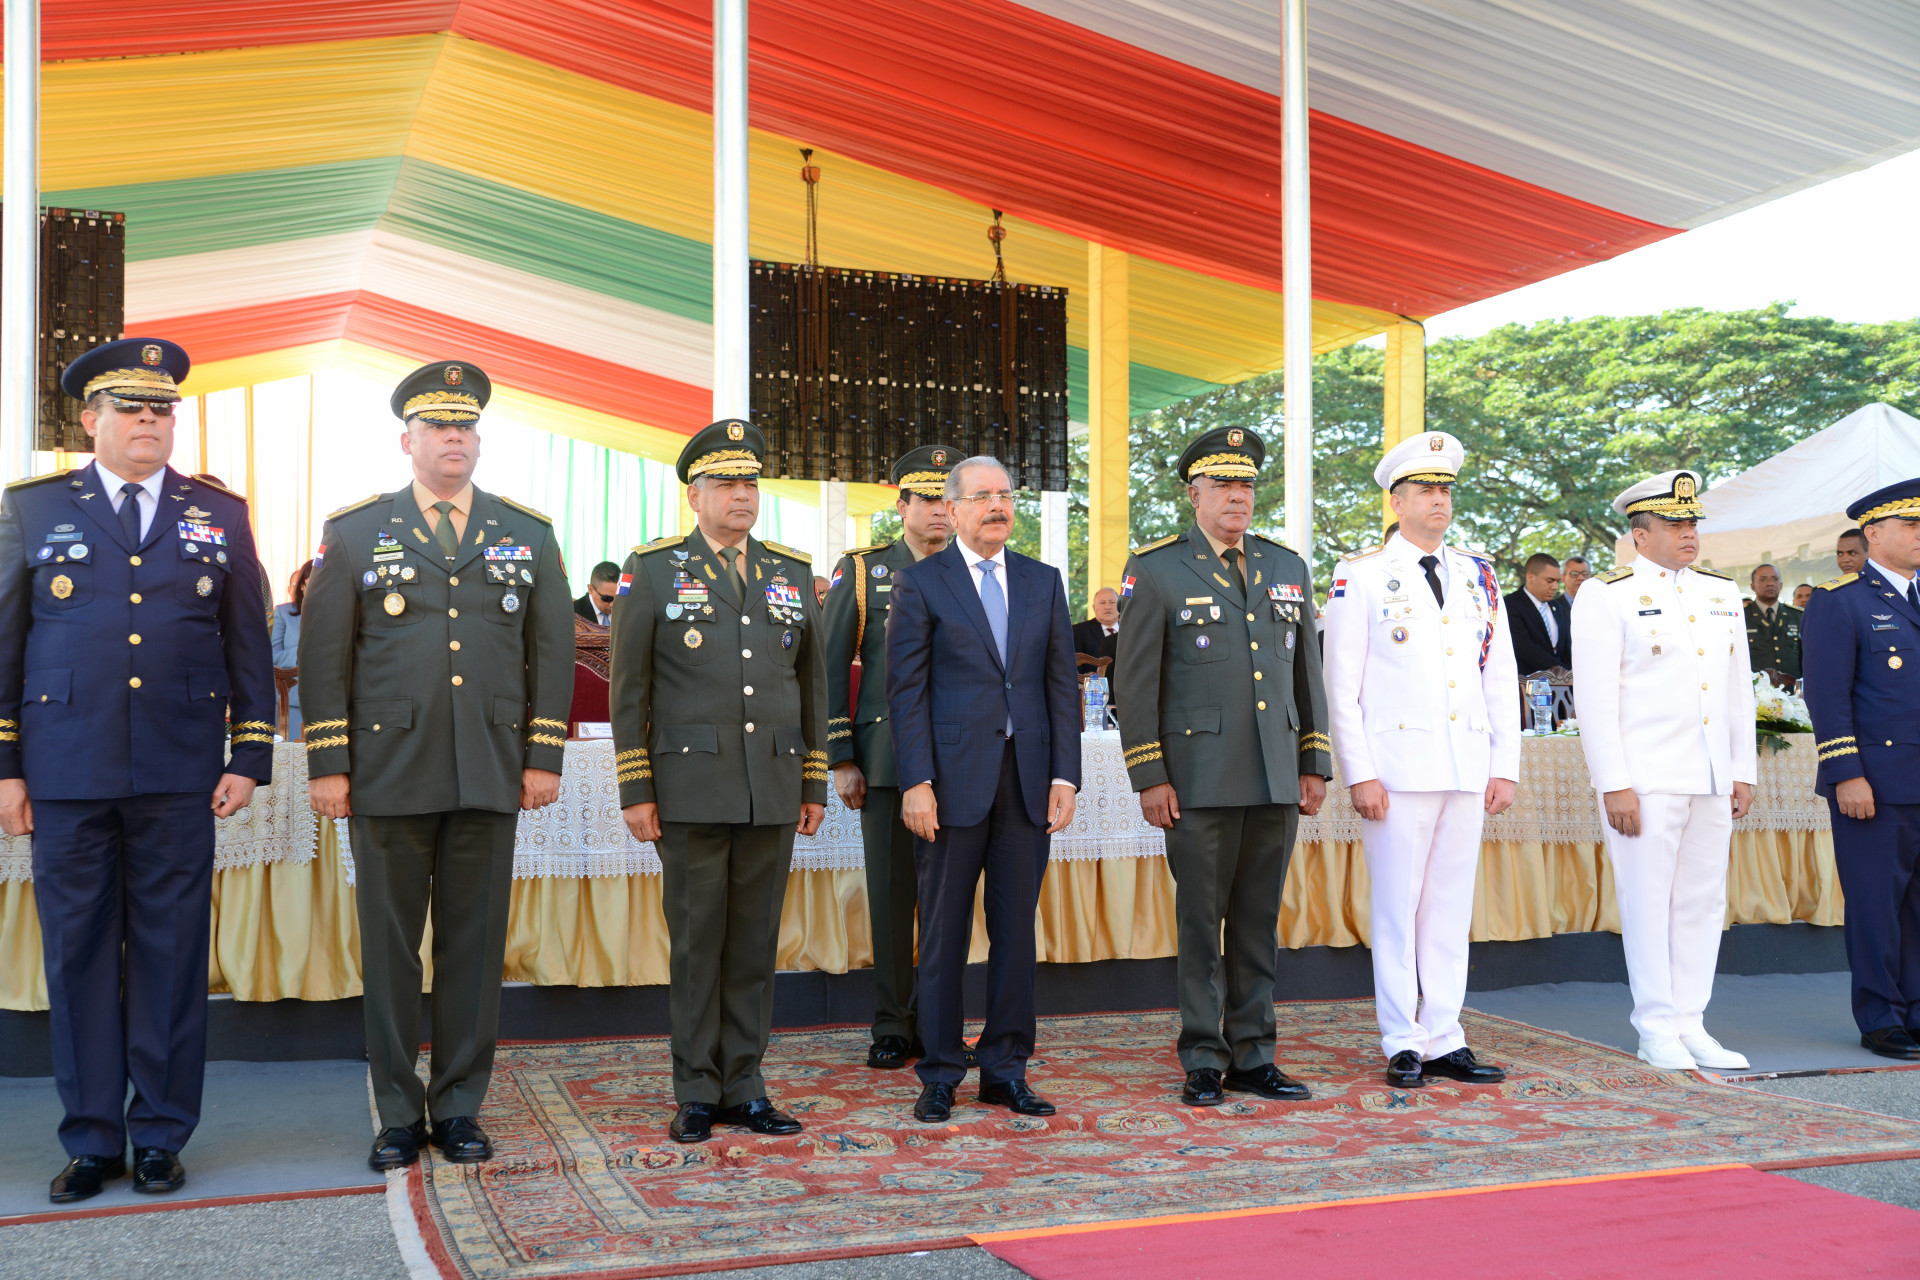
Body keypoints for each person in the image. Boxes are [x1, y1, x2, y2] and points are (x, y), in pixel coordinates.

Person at [0, 338, 276, 1203]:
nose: (149, 421)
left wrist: (251, 753)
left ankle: (159, 1134)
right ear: (91, 420)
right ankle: (91, 1139)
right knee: (78, 955)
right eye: (130, 408)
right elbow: (5, 644)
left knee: (171, 951)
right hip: (66, 769)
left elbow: (247, 641)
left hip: (177, 768)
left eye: (162, 410)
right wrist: (6, 767)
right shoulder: (33, 509)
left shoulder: (218, 513)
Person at [301, 361, 575, 1171]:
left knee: (474, 948)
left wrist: (544, 755)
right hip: (387, 771)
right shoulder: (357, 531)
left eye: (466, 426)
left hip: (490, 767)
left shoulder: (527, 532)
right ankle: (396, 1111)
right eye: (438, 426)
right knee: (390, 951)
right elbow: (325, 657)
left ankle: (458, 1106)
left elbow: (552, 651)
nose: (455, 437)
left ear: (478, 441)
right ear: (407, 442)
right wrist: (329, 763)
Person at [609, 419, 827, 1142]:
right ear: (694, 495)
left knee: (756, 943)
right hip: (689, 785)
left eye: (750, 483)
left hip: (772, 784)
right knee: (699, 942)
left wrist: (813, 783)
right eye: (727, 483)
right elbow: (629, 690)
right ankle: (697, 1088)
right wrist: (637, 788)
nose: (742, 495)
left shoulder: (789, 571)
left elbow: (812, 686)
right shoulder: (654, 568)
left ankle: (747, 1084)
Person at [1114, 427, 1332, 1107]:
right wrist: (1150, 775)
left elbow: (1307, 673)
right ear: (1194, 494)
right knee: (1202, 926)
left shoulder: (1286, 565)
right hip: (1198, 779)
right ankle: (1204, 1056)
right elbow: (1135, 684)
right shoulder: (1156, 568)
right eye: (1223, 485)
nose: (1238, 496)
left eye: (1246, 485)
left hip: (1274, 775)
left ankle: (1255, 1054)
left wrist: (1314, 760)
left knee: (1259, 922)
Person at [887, 456, 1080, 1123]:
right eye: (982, 496)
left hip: (1027, 783)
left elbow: (1061, 684)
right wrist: (916, 781)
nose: (997, 506)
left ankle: (1005, 1069)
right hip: (949, 786)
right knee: (943, 934)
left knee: (1016, 934)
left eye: (1005, 495)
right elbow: (906, 692)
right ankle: (941, 1071)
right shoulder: (921, 582)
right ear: (953, 508)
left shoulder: (1042, 580)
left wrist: (1064, 775)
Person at [1323, 431, 1518, 1090]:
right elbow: (1341, 685)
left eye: (1445, 489)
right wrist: (1360, 772)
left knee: (1449, 909)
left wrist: (1504, 763)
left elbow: (1498, 674)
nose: (1439, 499)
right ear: (1397, 501)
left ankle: (1444, 1035)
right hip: (1397, 769)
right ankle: (1402, 1038)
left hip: (1465, 763)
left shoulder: (1477, 573)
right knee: (1397, 909)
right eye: (1425, 489)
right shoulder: (1361, 573)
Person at [1572, 471, 1755, 1072]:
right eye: (1674, 524)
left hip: (1710, 775)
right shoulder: (1607, 594)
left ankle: (1690, 1021)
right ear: (1640, 534)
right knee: (1648, 903)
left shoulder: (1720, 592)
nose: (1688, 533)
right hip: (1646, 778)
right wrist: (1613, 783)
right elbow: (1596, 699)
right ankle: (1655, 1027)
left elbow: (1736, 689)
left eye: (1692, 522)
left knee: (1702, 903)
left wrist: (1741, 770)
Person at [822, 444, 956, 1070]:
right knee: (893, 897)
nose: (939, 510)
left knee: (948, 901)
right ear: (901, 506)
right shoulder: (866, 570)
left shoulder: (978, 568)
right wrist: (841, 755)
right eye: (927, 499)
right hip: (886, 760)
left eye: (947, 499)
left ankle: (938, 1023)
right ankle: (893, 1024)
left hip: (962, 759)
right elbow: (829, 668)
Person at [1801, 479, 1920, 1060]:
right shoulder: (1840, 601)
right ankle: (1880, 1016)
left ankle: (1916, 1009)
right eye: (1912, 525)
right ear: (1874, 533)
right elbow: (1827, 697)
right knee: (1876, 906)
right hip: (1874, 782)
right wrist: (1846, 772)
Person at [1505, 553, 1571, 674]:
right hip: (1525, 681)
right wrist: (1562, 673)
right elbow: (1525, 648)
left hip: (1563, 683)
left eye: (1557, 581)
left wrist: (1570, 675)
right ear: (1530, 578)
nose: (1555, 587)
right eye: (1550, 581)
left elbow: (1566, 648)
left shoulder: (1558, 608)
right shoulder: (1509, 605)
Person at [272, 560, 313, 737]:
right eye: (311, 584)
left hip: (328, 699)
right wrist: (304, 651)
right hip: (292, 700)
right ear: (302, 585)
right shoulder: (284, 613)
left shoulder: (338, 615)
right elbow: (273, 656)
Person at [1744, 563, 1802, 682]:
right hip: (1756, 689)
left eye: (1775, 579)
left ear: (1781, 585)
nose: (1770, 583)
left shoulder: (1797, 616)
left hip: (1792, 689)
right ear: (1752, 586)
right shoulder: (1742, 616)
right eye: (1763, 579)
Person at [1072, 587, 1122, 698]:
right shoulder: (1078, 631)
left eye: (1112, 602)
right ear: (1094, 608)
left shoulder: (1131, 632)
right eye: (1102, 603)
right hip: (1093, 697)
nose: (1107, 607)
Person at [576, 561, 620, 626]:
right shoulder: (573, 613)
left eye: (618, 598)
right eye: (607, 598)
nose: (612, 604)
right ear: (590, 589)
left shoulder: (627, 612)